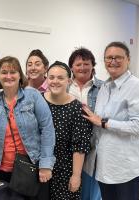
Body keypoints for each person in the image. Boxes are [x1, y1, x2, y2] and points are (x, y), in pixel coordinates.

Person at [83, 41, 139, 200]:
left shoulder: (138, 88)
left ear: (128, 59)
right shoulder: (105, 87)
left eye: (118, 57)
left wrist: (104, 122)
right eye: (109, 57)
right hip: (104, 166)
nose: (113, 61)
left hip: (125, 169)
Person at [0, 56, 55, 199]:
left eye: (13, 72)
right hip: (2, 170)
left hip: (32, 168)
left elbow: (47, 129)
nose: (8, 76)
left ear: (20, 75)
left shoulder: (32, 95)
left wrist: (46, 164)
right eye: (4, 72)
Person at [43, 61, 92, 200]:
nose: (55, 81)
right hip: (40, 169)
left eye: (60, 78)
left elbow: (80, 146)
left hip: (65, 171)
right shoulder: (39, 101)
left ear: (69, 81)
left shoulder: (77, 108)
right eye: (51, 77)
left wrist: (76, 176)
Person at [68, 47, 103, 200]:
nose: (82, 67)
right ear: (71, 68)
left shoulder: (103, 87)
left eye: (86, 63)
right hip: (70, 144)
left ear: (93, 66)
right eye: (78, 64)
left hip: (95, 144)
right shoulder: (65, 86)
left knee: (92, 189)